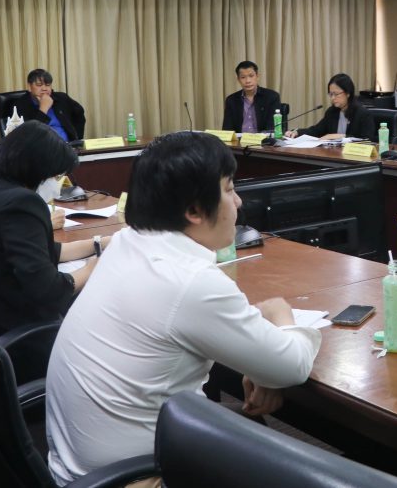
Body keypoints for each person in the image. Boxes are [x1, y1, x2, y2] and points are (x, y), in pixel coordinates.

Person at [45, 131, 321, 484]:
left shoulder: (129, 242)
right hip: (136, 478)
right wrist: (279, 315)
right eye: (229, 189)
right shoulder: (189, 281)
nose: (238, 202)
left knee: (254, 434)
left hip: (77, 469)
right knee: (298, 470)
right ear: (193, 210)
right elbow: (292, 366)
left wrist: (262, 362)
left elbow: (193, 321)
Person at [0, 120, 104, 337]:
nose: (57, 186)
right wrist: (93, 268)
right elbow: (50, 292)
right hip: (13, 327)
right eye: (56, 176)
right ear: (37, 168)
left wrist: (99, 242)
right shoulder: (22, 203)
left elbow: (45, 251)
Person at [284, 73, 374, 140]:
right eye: (331, 94)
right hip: (333, 154)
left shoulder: (362, 114)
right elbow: (316, 130)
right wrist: (297, 132)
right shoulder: (332, 112)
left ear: (348, 93)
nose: (333, 98)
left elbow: (368, 140)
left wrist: (341, 136)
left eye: (336, 94)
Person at [11, 68, 86, 142]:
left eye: (48, 85)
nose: (44, 89)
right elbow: (31, 135)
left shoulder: (61, 98)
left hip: (67, 146)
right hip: (41, 147)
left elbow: (79, 114)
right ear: (29, 87)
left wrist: (77, 139)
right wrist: (43, 109)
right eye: (39, 85)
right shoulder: (21, 105)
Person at [222, 60, 282, 133]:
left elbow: (272, 128)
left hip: (263, 139)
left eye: (251, 76)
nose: (248, 81)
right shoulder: (231, 100)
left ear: (257, 76)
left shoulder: (271, 97)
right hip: (239, 139)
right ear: (238, 79)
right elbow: (227, 129)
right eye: (243, 77)